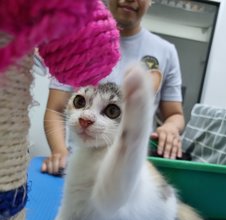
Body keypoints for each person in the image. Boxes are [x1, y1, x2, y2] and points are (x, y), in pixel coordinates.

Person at [41, 0, 185, 175]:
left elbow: (175, 115)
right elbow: (56, 109)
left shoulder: (166, 51)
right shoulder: (78, 40)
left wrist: (170, 127)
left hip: (129, 167)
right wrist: (60, 152)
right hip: (78, 159)